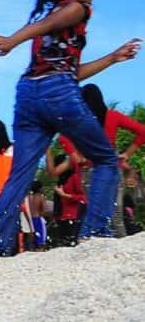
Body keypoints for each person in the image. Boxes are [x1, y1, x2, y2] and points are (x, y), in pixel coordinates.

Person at [0, 0, 140, 256]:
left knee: (19, 175)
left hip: (29, 94)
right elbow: (56, 55)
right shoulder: (77, 8)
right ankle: (94, 232)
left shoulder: (49, 19)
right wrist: (12, 40)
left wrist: (113, 58)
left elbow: (71, 71)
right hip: (57, 94)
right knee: (105, 159)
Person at [61, 84, 145, 238]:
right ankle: (119, 243)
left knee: (93, 209)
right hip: (113, 167)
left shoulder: (81, 119)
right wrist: (127, 154)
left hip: (89, 167)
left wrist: (75, 155)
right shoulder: (113, 116)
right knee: (116, 211)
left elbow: (63, 137)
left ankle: (91, 239)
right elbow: (142, 131)